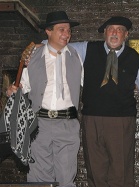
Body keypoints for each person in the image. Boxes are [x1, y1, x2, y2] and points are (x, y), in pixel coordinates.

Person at [65, 16, 139, 187]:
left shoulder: (134, 57)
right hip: (92, 119)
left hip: (121, 120)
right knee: (95, 169)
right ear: (104, 33)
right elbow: (60, 46)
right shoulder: (87, 48)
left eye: (119, 29)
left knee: (120, 171)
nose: (114, 33)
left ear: (126, 35)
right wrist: (40, 45)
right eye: (110, 29)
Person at [6, 11, 84, 187]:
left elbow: (88, 83)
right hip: (39, 124)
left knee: (66, 178)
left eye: (69, 31)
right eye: (61, 29)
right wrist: (12, 90)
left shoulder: (76, 56)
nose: (67, 34)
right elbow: (22, 86)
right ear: (48, 31)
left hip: (67, 124)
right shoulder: (33, 58)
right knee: (39, 178)